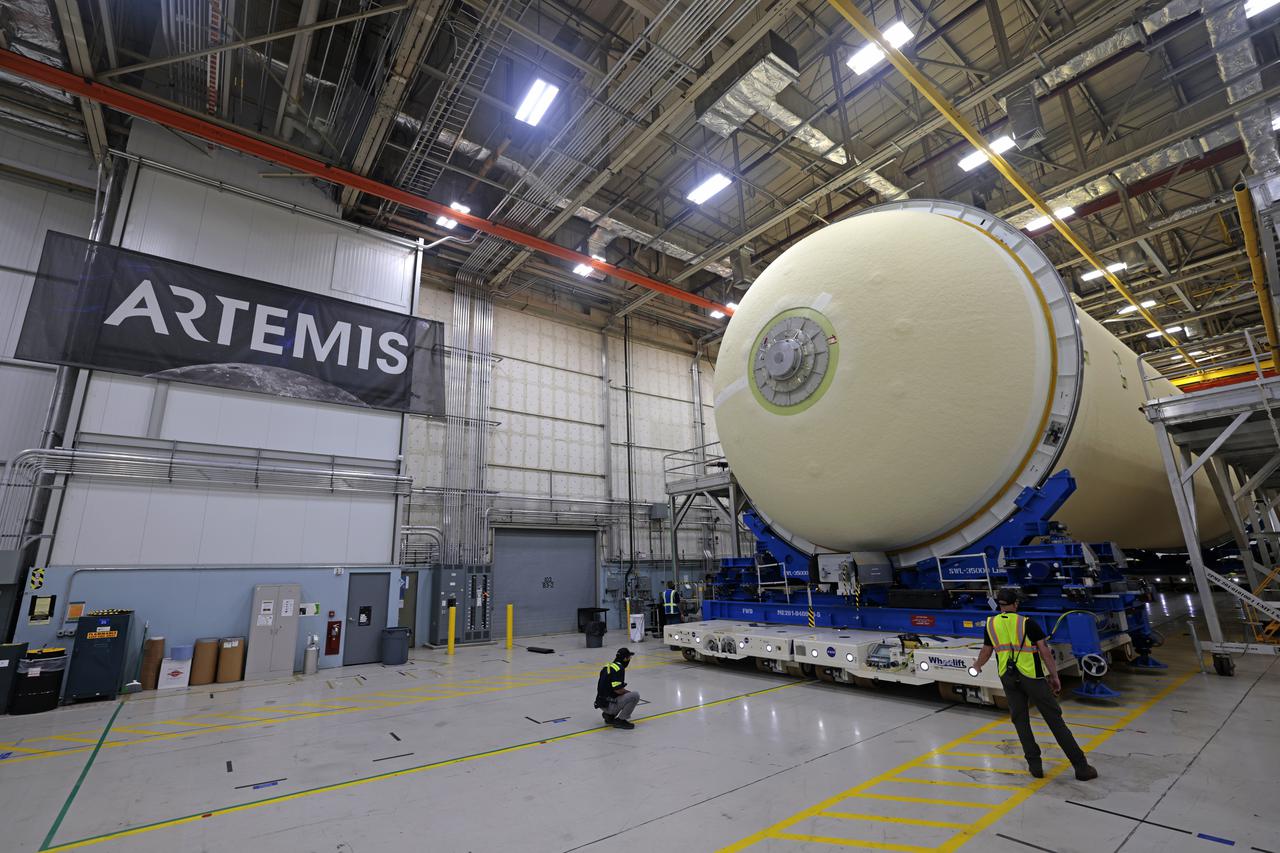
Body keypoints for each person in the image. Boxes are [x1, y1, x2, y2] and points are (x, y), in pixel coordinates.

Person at [972, 587, 1098, 781]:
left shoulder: (991, 624)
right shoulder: (1027, 623)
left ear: (1000, 605)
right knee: (1055, 721)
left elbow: (986, 651)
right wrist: (1054, 676)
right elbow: (1045, 651)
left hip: (1008, 676)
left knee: (1020, 721)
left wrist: (977, 666)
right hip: (1032, 677)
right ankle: (1081, 766)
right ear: (1016, 604)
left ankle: (1035, 765)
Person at [594, 647, 640, 730]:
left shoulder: (608, 666)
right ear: (625, 659)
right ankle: (620, 720)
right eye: (629, 658)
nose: (629, 660)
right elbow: (618, 690)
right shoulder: (619, 668)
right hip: (609, 705)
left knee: (622, 695)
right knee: (635, 696)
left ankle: (609, 716)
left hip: (602, 703)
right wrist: (628, 693)